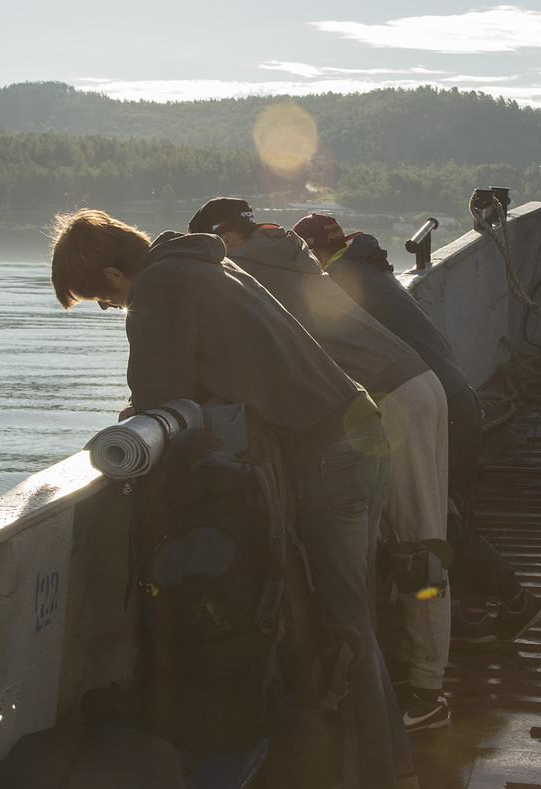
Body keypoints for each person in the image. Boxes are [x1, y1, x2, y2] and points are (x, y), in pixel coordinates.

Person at [48, 208, 416, 788]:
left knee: (346, 623)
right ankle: (359, 765)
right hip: (353, 433)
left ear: (117, 276)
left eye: (102, 297)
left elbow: (156, 396)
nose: (109, 307)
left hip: (332, 453)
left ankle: (385, 775)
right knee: (345, 617)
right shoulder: (201, 265)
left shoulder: (158, 286)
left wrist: (133, 421)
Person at [189, 198, 452, 733]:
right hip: (403, 389)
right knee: (396, 546)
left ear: (228, 239)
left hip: (394, 396)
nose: (214, 260)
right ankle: (402, 674)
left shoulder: (249, 269)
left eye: (215, 248)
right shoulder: (284, 252)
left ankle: (428, 694)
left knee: (418, 550)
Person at [292, 213, 541, 643]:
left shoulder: (335, 284)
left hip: (436, 405)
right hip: (454, 395)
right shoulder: (369, 269)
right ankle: (469, 613)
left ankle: (517, 600)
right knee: (453, 510)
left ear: (313, 252)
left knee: (443, 517)